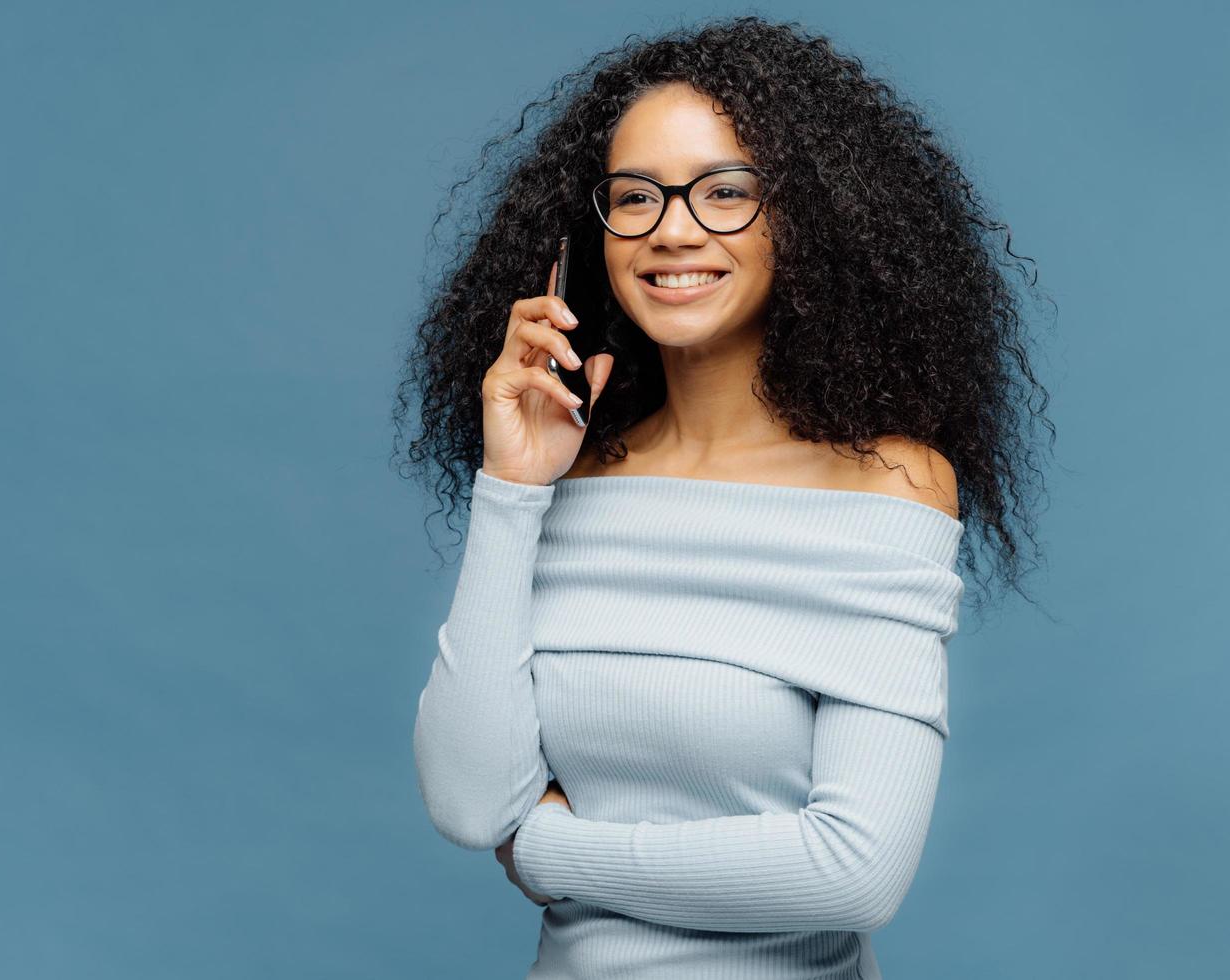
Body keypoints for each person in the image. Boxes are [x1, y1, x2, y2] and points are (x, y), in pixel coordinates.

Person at [400, 15, 1052, 979]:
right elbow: (465, 802)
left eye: (726, 193)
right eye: (636, 197)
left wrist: (549, 854)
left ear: (808, 215)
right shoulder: (563, 482)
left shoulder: (890, 485)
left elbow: (853, 875)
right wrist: (510, 491)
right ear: (596, 230)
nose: (673, 228)